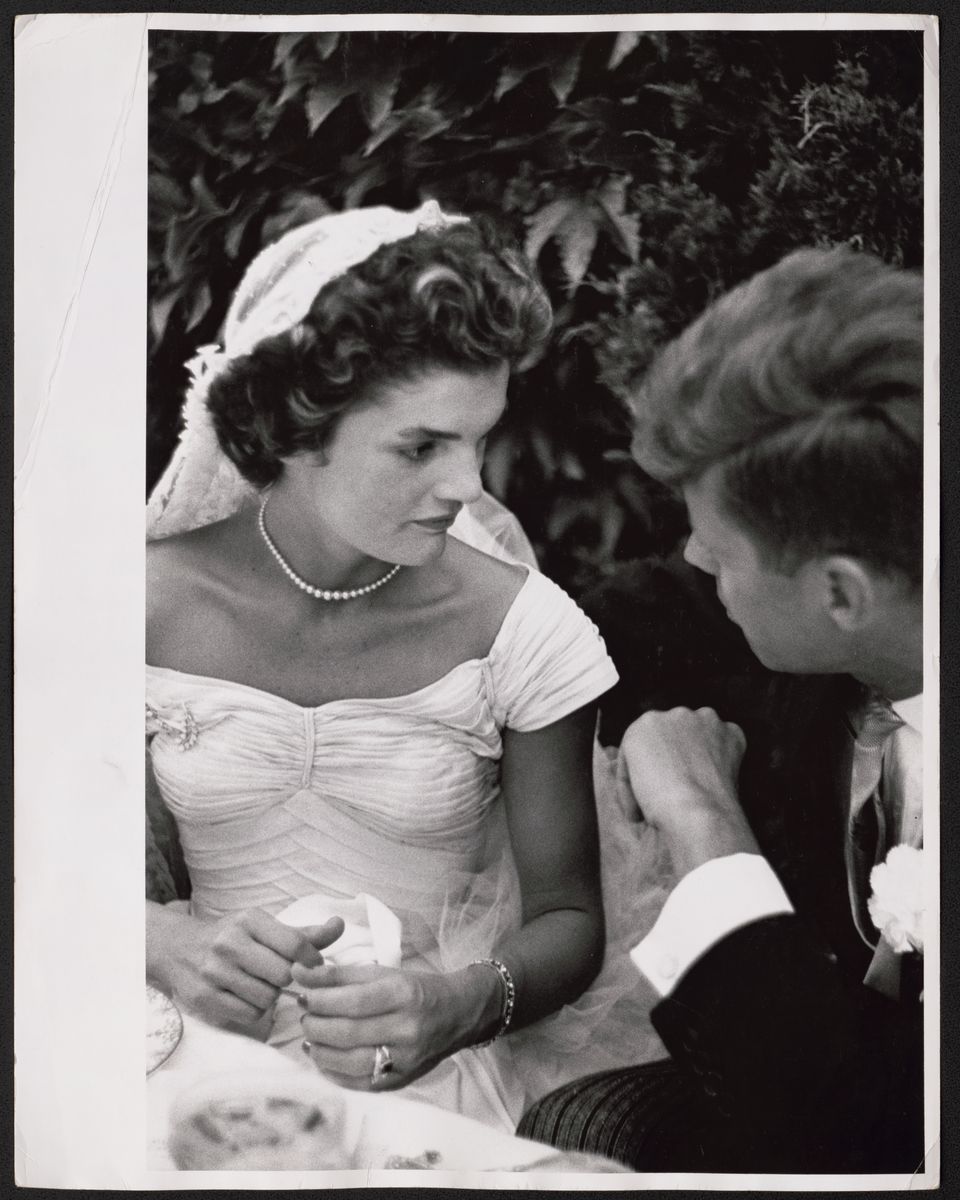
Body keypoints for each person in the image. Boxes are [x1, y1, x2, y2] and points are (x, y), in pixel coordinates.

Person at [145, 202, 668, 1133]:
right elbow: (39, 857)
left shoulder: (525, 630)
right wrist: (152, 938)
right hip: (174, 1054)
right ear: (296, 429)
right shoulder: (139, 605)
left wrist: (456, 1006)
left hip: (430, 1080)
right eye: (421, 446)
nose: (468, 485)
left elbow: (570, 919)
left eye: (480, 437)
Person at [518, 246, 927, 1172]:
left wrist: (705, 820)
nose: (697, 561)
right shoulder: (862, 610)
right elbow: (642, 610)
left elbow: (847, 1133)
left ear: (841, 594)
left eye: (717, 542)